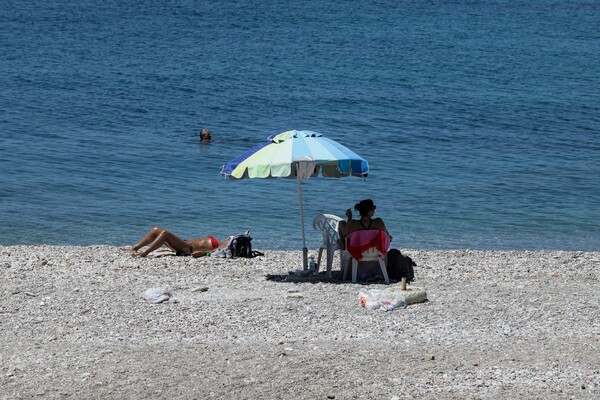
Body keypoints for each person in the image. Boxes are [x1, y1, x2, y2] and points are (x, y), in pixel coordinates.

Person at [127, 227, 230, 257]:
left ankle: (145, 253)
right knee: (156, 230)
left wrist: (202, 254)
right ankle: (135, 247)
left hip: (188, 248)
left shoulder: (225, 246)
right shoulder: (224, 241)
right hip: (184, 244)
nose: (231, 237)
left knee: (165, 234)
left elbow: (214, 253)